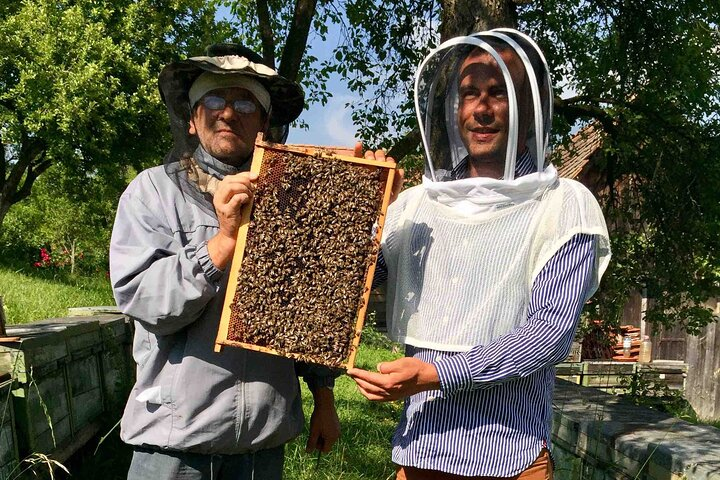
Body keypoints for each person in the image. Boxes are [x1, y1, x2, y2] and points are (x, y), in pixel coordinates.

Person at [348, 29, 611, 479]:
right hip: (417, 452)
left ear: (528, 110)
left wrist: (437, 373)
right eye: (470, 94)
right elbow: (351, 288)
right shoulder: (415, 204)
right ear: (455, 110)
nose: (482, 109)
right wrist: (359, 207)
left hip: (509, 460)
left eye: (498, 93)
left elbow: (547, 334)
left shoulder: (564, 204)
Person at [109, 44, 340, 480]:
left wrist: (324, 397)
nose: (228, 113)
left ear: (264, 123)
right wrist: (224, 240)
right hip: (175, 449)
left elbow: (311, 313)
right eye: (214, 100)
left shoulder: (293, 203)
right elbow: (145, 302)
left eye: (245, 103)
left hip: (262, 450)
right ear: (193, 120)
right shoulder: (152, 193)